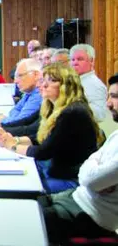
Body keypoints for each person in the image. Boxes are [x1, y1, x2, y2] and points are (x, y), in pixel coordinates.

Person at [0, 64, 103, 194]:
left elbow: (43, 152)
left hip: (69, 179)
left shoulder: (72, 112)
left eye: (52, 81)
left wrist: (11, 146)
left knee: (13, 188)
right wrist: (13, 139)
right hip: (54, 170)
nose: (44, 85)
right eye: (43, 80)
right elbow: (40, 139)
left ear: (66, 85)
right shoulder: (54, 107)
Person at [40, 73, 118, 244]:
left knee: (30, 219)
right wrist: (94, 168)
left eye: (115, 97)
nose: (108, 104)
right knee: (28, 203)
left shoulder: (74, 112)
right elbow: (91, 164)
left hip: (93, 215)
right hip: (77, 197)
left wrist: (94, 169)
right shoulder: (116, 135)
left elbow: (90, 180)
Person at [0, 58, 43, 136]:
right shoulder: (29, 92)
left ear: (36, 75)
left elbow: (22, 120)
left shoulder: (39, 94)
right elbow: (15, 111)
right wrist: (5, 119)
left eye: (20, 76)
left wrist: (2, 122)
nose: (15, 81)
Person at [70, 44, 109, 122]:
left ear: (91, 61)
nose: (75, 63)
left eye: (80, 59)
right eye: (73, 59)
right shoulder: (73, 81)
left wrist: (73, 106)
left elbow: (100, 115)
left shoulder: (95, 85)